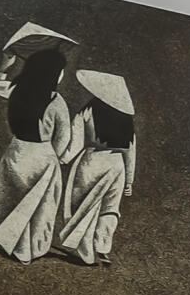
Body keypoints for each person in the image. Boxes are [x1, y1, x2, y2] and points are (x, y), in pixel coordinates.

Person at [0, 26, 78, 261]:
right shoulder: (56, 101)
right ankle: (28, 249)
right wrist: (58, 158)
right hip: (42, 156)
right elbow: (63, 138)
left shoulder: (16, 91)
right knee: (39, 205)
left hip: (15, 151)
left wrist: (5, 64)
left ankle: (2, 239)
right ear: (54, 73)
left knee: (13, 197)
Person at [57, 70, 137, 266]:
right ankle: (103, 247)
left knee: (83, 206)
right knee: (110, 208)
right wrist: (129, 180)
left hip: (91, 161)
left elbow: (74, 145)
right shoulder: (127, 121)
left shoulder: (87, 111)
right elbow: (131, 151)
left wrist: (61, 160)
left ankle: (85, 251)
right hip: (116, 164)